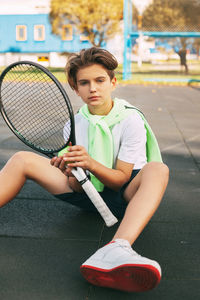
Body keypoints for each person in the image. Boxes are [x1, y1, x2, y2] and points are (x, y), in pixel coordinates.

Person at [0, 47, 169, 293]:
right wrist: (73, 173)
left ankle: (118, 247)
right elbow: (77, 187)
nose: (93, 88)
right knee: (21, 159)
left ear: (113, 82)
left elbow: (119, 180)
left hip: (125, 195)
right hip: (88, 194)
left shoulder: (130, 119)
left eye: (100, 80)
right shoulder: (74, 124)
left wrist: (89, 163)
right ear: (76, 88)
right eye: (84, 83)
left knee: (158, 169)